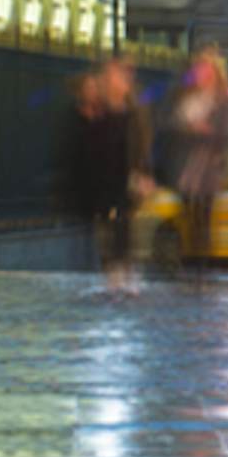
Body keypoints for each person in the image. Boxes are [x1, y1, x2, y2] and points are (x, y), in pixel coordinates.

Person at [57, 55, 150, 290]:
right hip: (102, 182)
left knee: (121, 226)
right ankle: (115, 275)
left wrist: (142, 172)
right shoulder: (99, 111)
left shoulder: (132, 111)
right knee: (109, 230)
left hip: (122, 181)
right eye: (111, 76)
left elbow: (140, 143)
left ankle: (124, 274)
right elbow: (86, 148)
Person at [165, 50, 228, 268]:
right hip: (185, 167)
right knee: (187, 217)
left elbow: (223, 134)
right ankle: (190, 261)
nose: (201, 73)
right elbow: (172, 127)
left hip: (206, 169)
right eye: (198, 68)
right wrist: (190, 129)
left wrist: (205, 131)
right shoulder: (184, 98)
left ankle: (201, 264)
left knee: (203, 217)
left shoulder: (222, 100)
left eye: (206, 69)